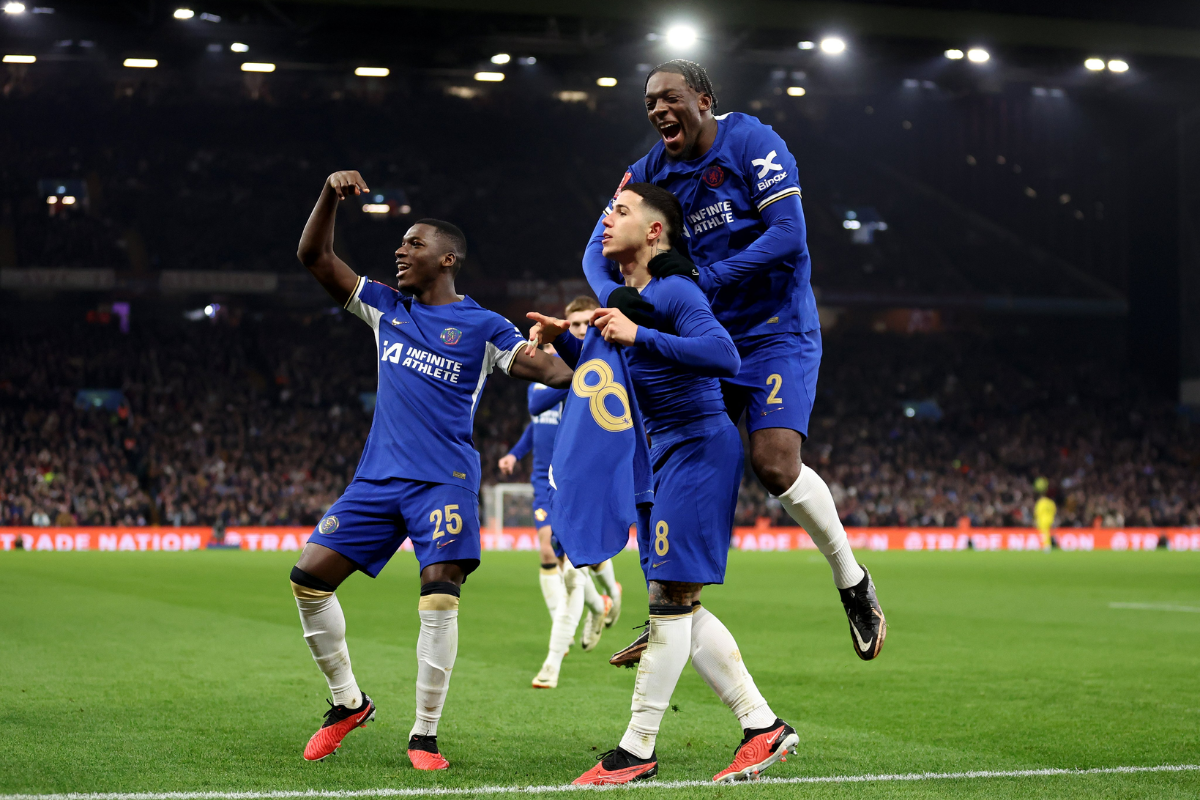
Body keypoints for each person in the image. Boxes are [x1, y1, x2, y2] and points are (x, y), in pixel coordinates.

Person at [581, 59, 885, 664]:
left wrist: (709, 277)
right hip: (706, 334)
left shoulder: (752, 142)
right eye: (650, 103)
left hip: (775, 328)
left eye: (671, 98)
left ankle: (851, 580)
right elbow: (595, 247)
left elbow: (788, 234)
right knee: (674, 457)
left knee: (773, 464)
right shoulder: (646, 173)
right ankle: (668, 605)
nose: (659, 110)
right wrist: (620, 297)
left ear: (704, 100)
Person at [289, 169, 573, 770]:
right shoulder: (384, 307)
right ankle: (348, 703)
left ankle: (424, 734)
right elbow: (313, 255)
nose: (400, 250)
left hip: (444, 479)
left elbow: (552, 374)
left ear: (447, 259)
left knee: (438, 597)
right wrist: (327, 196)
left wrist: (577, 353)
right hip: (377, 478)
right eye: (400, 243)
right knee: (309, 580)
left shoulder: (484, 326)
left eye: (413, 244)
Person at [529, 183, 798, 785]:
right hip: (666, 452)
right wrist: (568, 336)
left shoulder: (675, 289)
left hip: (699, 447)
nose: (607, 222)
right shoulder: (633, 294)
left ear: (654, 232)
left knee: (668, 604)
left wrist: (639, 334)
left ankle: (636, 748)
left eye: (620, 212)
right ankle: (762, 726)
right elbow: (619, 341)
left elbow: (724, 355)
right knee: (680, 603)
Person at [1034, 478, 1057, 551]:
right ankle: (1052, 545)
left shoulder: (1039, 503)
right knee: (1051, 533)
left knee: (1044, 534)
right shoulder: (1051, 502)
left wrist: (1036, 521)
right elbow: (1054, 511)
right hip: (1051, 520)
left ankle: (1047, 547)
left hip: (1042, 521)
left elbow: (1037, 513)